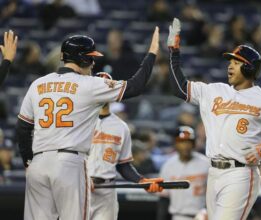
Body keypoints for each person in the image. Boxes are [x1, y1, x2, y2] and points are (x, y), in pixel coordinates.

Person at [16, 27, 161, 220]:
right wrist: (151, 54)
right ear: (82, 59)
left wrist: (28, 162)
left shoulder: (38, 84)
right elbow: (135, 86)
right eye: (91, 58)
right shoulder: (89, 84)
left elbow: (23, 128)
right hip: (69, 163)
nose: (93, 63)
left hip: (38, 164)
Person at [167, 18, 261, 220]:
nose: (230, 66)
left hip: (241, 174)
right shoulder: (214, 91)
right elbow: (179, 87)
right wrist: (174, 53)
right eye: (230, 62)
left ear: (250, 68)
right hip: (214, 172)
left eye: (237, 63)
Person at [88, 72, 163, 220]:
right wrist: (81, 177)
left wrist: (141, 180)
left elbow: (123, 165)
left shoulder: (121, 127)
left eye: (107, 89)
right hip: (81, 187)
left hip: (107, 191)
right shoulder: (78, 121)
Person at [157, 126, 209, 220]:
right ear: (175, 144)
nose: (185, 146)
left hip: (202, 216)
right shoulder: (168, 166)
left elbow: (214, 195)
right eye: (181, 142)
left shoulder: (206, 164)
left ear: (193, 144)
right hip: (178, 216)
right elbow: (164, 198)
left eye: (188, 142)